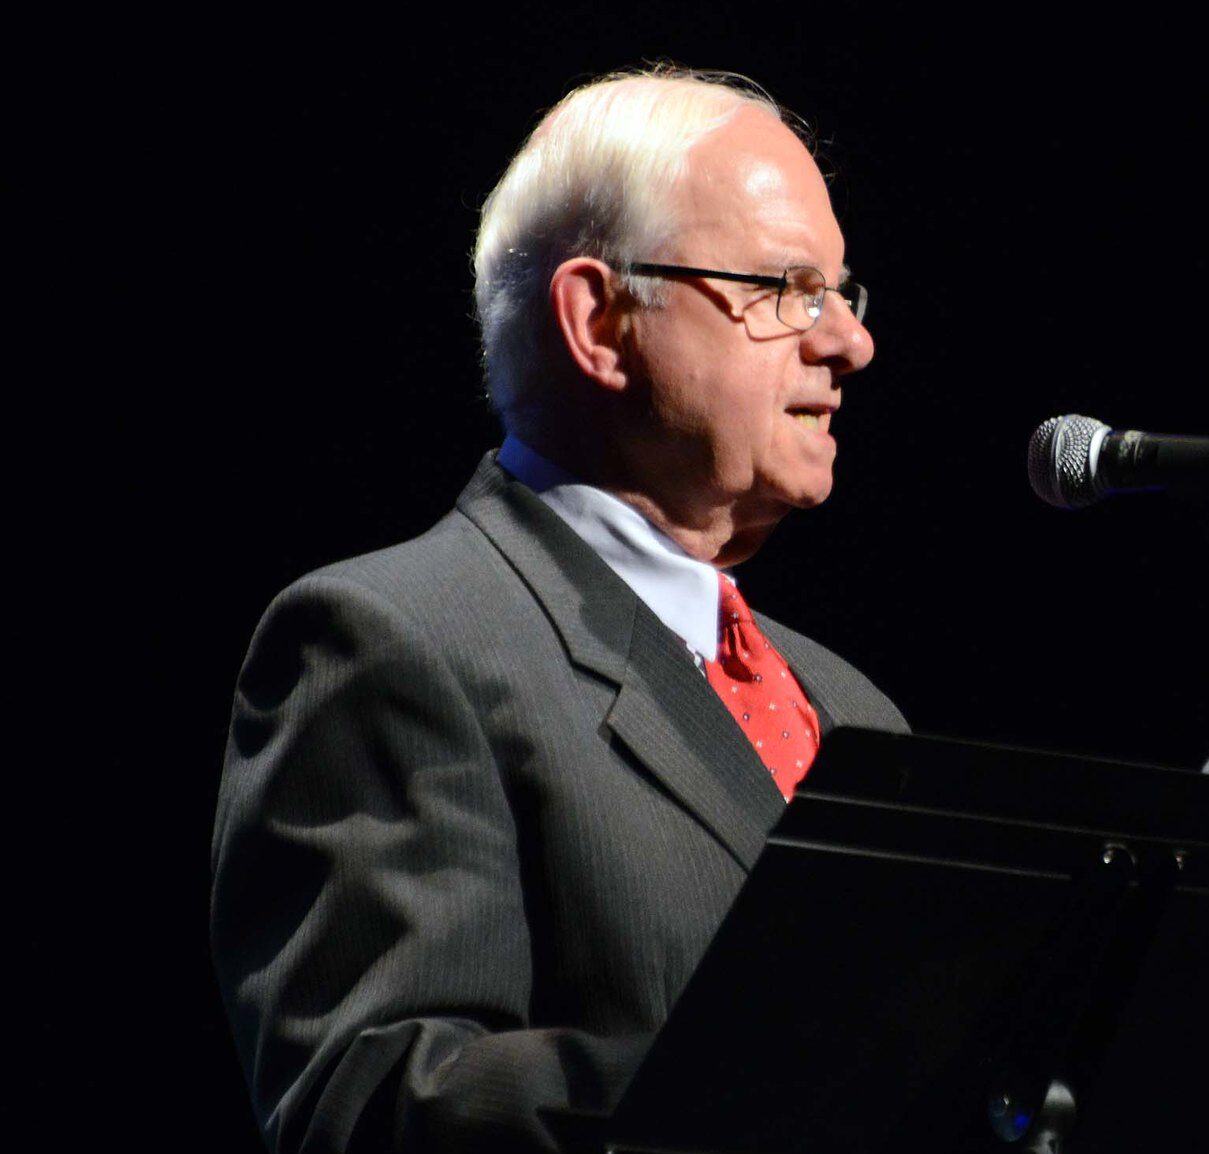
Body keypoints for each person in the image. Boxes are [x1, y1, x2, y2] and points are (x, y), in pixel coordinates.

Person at [210, 67, 907, 1153]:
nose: (846, 341)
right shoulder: (395, 639)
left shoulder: (854, 709)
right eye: (783, 288)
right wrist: (778, 1073)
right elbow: (372, 1104)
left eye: (841, 291)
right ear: (599, 318)